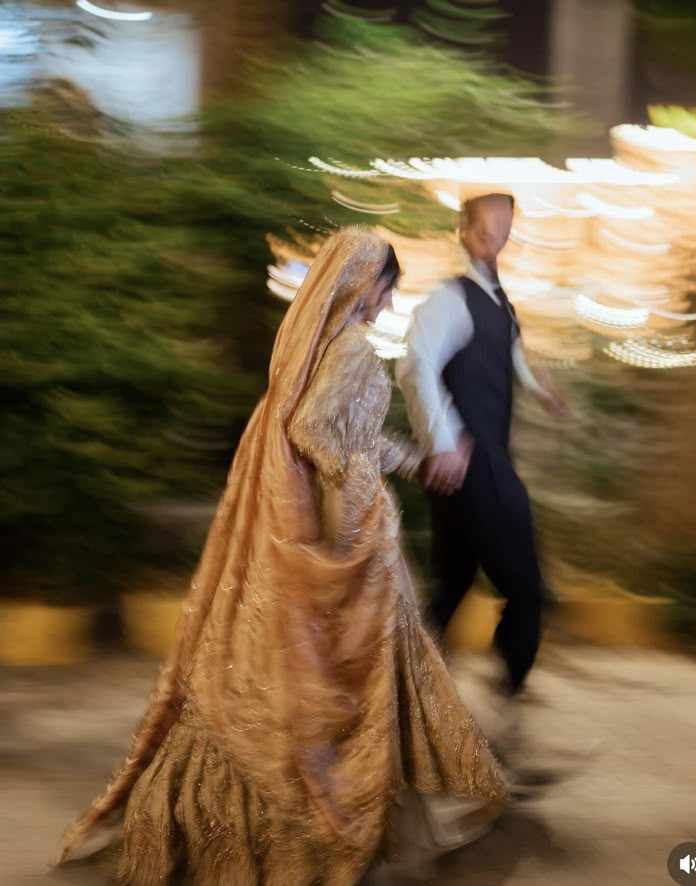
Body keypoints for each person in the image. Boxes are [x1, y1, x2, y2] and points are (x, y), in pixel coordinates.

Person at [56, 228, 507, 885]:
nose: (388, 302)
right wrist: (356, 480)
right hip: (354, 526)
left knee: (341, 662)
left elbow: (347, 432)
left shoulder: (325, 344)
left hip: (347, 514)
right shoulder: (351, 347)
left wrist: (416, 462)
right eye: (387, 288)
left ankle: (316, 812)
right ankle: (338, 819)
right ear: (363, 284)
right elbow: (312, 428)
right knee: (364, 666)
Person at [397, 194, 566, 726]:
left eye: (505, 226)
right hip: (472, 462)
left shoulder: (500, 302)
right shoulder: (450, 299)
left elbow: (509, 353)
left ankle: (402, 689)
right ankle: (509, 687)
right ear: (466, 232)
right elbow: (415, 364)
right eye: (488, 226)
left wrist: (538, 388)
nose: (498, 235)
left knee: (450, 586)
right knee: (527, 585)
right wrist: (442, 441)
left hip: (477, 463)